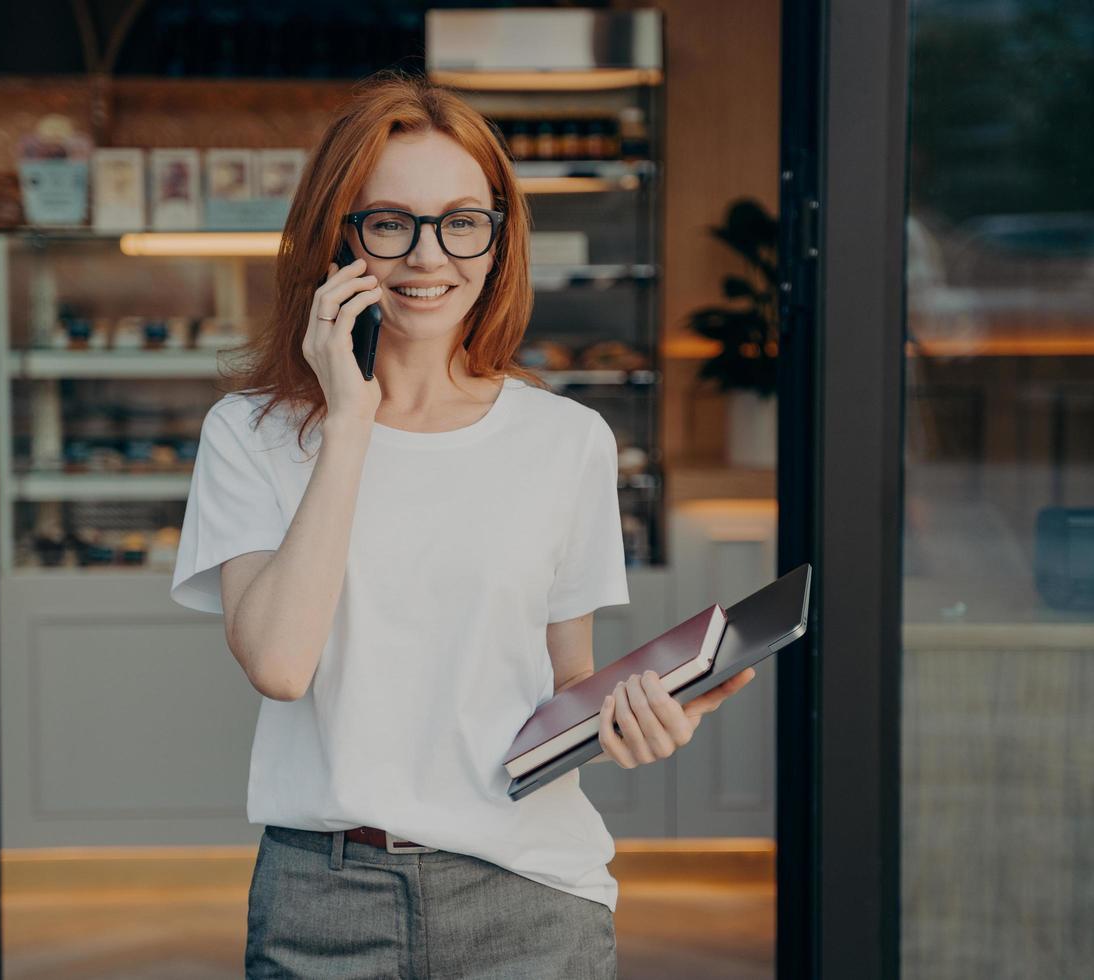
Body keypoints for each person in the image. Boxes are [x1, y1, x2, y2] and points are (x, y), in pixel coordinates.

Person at [169, 69, 756, 979]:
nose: (429, 257)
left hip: (530, 897)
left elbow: (564, 687)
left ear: (497, 236)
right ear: (338, 236)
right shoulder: (251, 437)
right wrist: (352, 420)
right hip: (325, 903)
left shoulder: (566, 440)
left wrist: (635, 716)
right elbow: (281, 665)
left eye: (461, 221)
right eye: (391, 222)